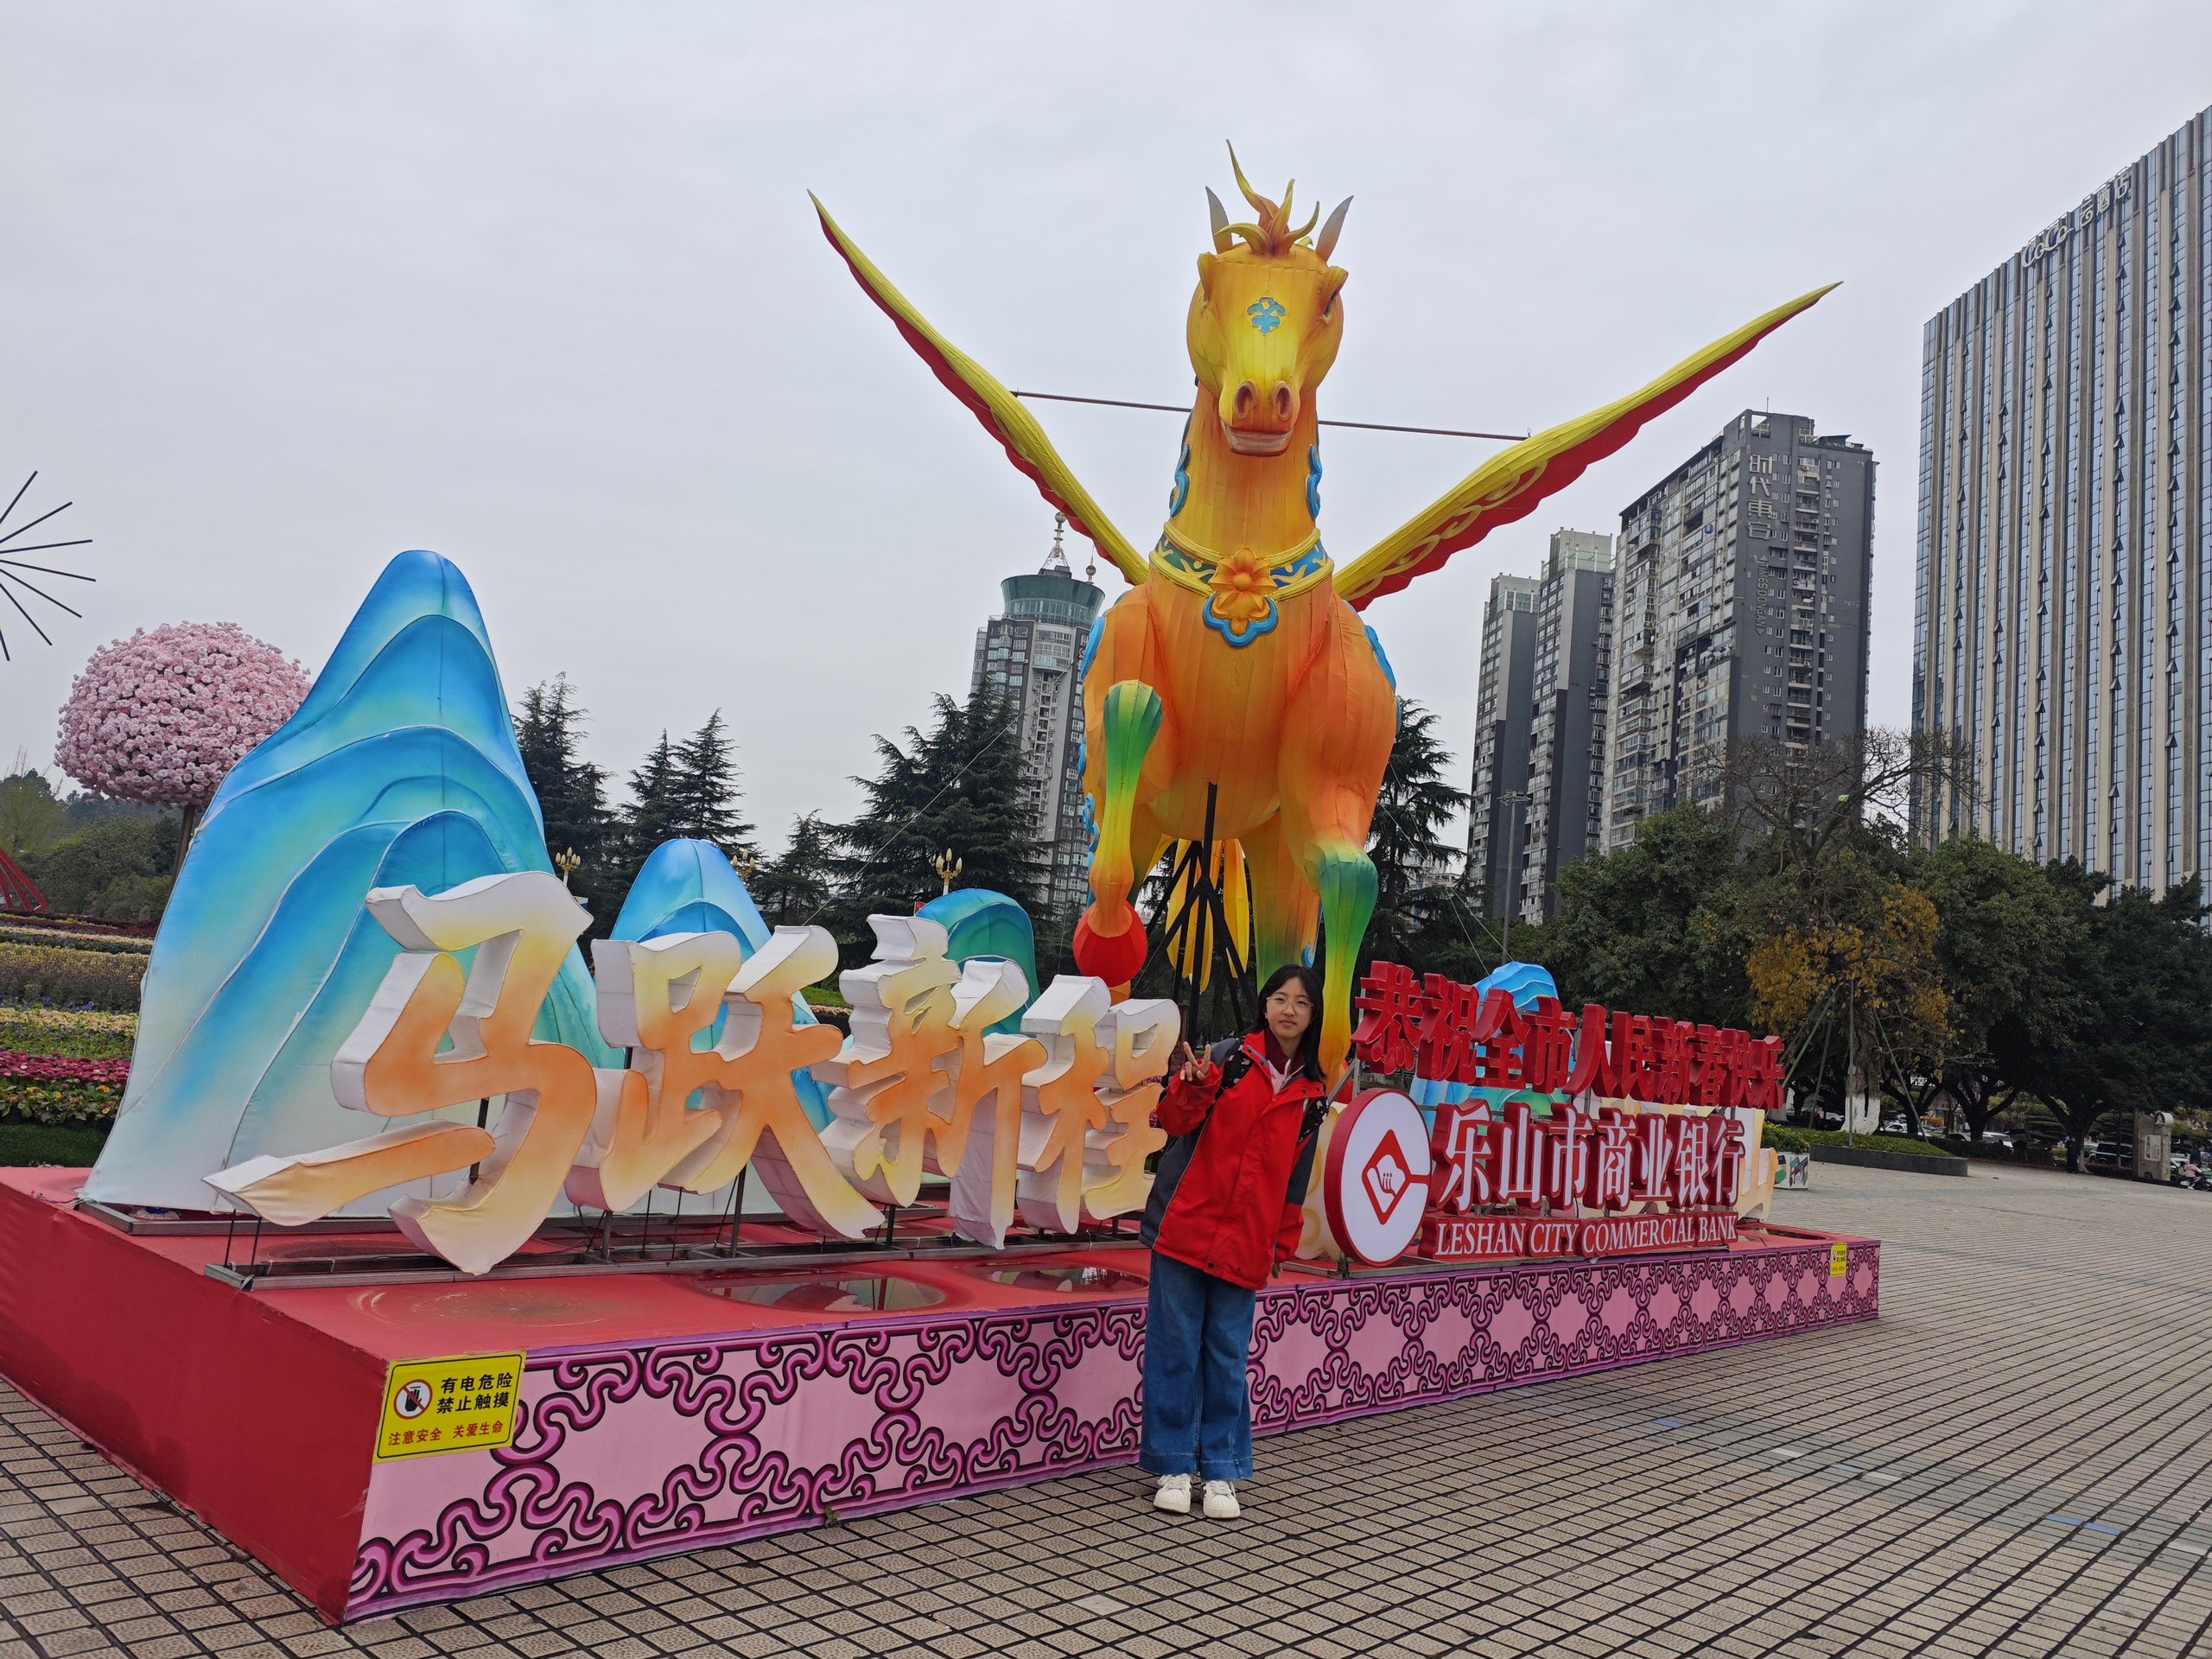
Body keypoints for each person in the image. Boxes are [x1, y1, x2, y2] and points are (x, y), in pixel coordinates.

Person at [1137, 963, 1330, 1520]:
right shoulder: (1228, 1058)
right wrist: (1193, 1085)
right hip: (1186, 1225)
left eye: (1301, 1002)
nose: (1289, 1010)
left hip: (1247, 1239)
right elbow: (1172, 1121)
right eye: (1280, 998)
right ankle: (1174, 1464)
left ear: (1313, 1016)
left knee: (1226, 1356)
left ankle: (1220, 1469)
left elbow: (1294, 1181)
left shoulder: (1312, 1096)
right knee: (1175, 1348)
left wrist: (1281, 1243)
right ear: (1264, 1006)